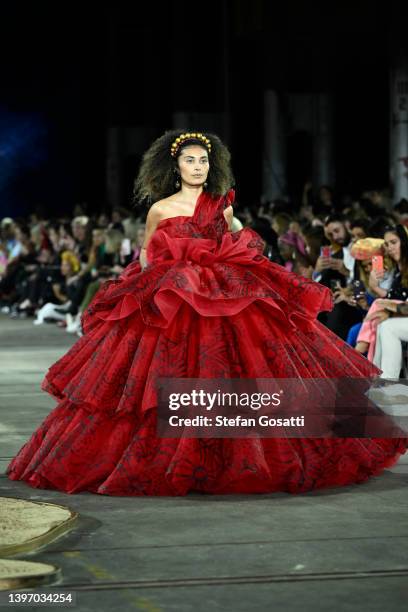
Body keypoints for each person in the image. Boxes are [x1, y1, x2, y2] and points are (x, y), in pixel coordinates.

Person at [6, 130, 407, 496]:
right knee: (157, 383)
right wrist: (149, 286)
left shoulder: (224, 209)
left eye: (203, 161)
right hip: (173, 300)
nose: (197, 168)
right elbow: (148, 253)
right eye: (190, 161)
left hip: (224, 299)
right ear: (174, 166)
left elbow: (249, 250)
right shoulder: (160, 209)